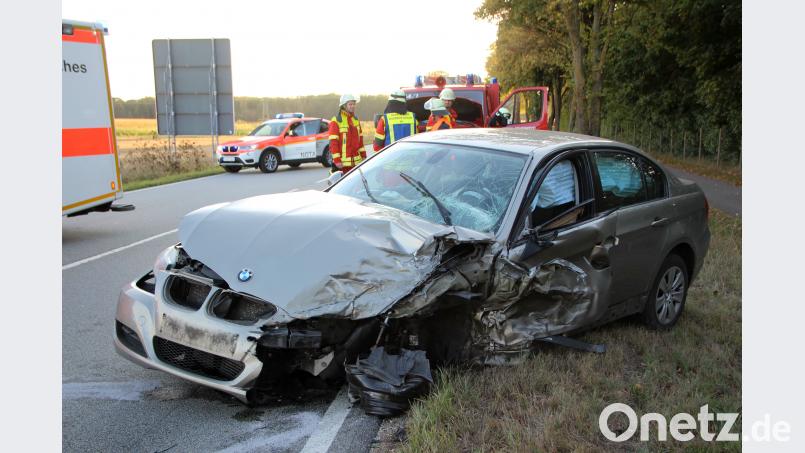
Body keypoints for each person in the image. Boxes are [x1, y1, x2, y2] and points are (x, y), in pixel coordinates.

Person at [328, 94, 366, 174]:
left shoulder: (356, 120)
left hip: (357, 163)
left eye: (354, 104)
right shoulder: (336, 121)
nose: (353, 106)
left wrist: (363, 156)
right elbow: (333, 143)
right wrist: (337, 160)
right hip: (343, 165)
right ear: (344, 106)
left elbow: (360, 141)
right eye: (350, 104)